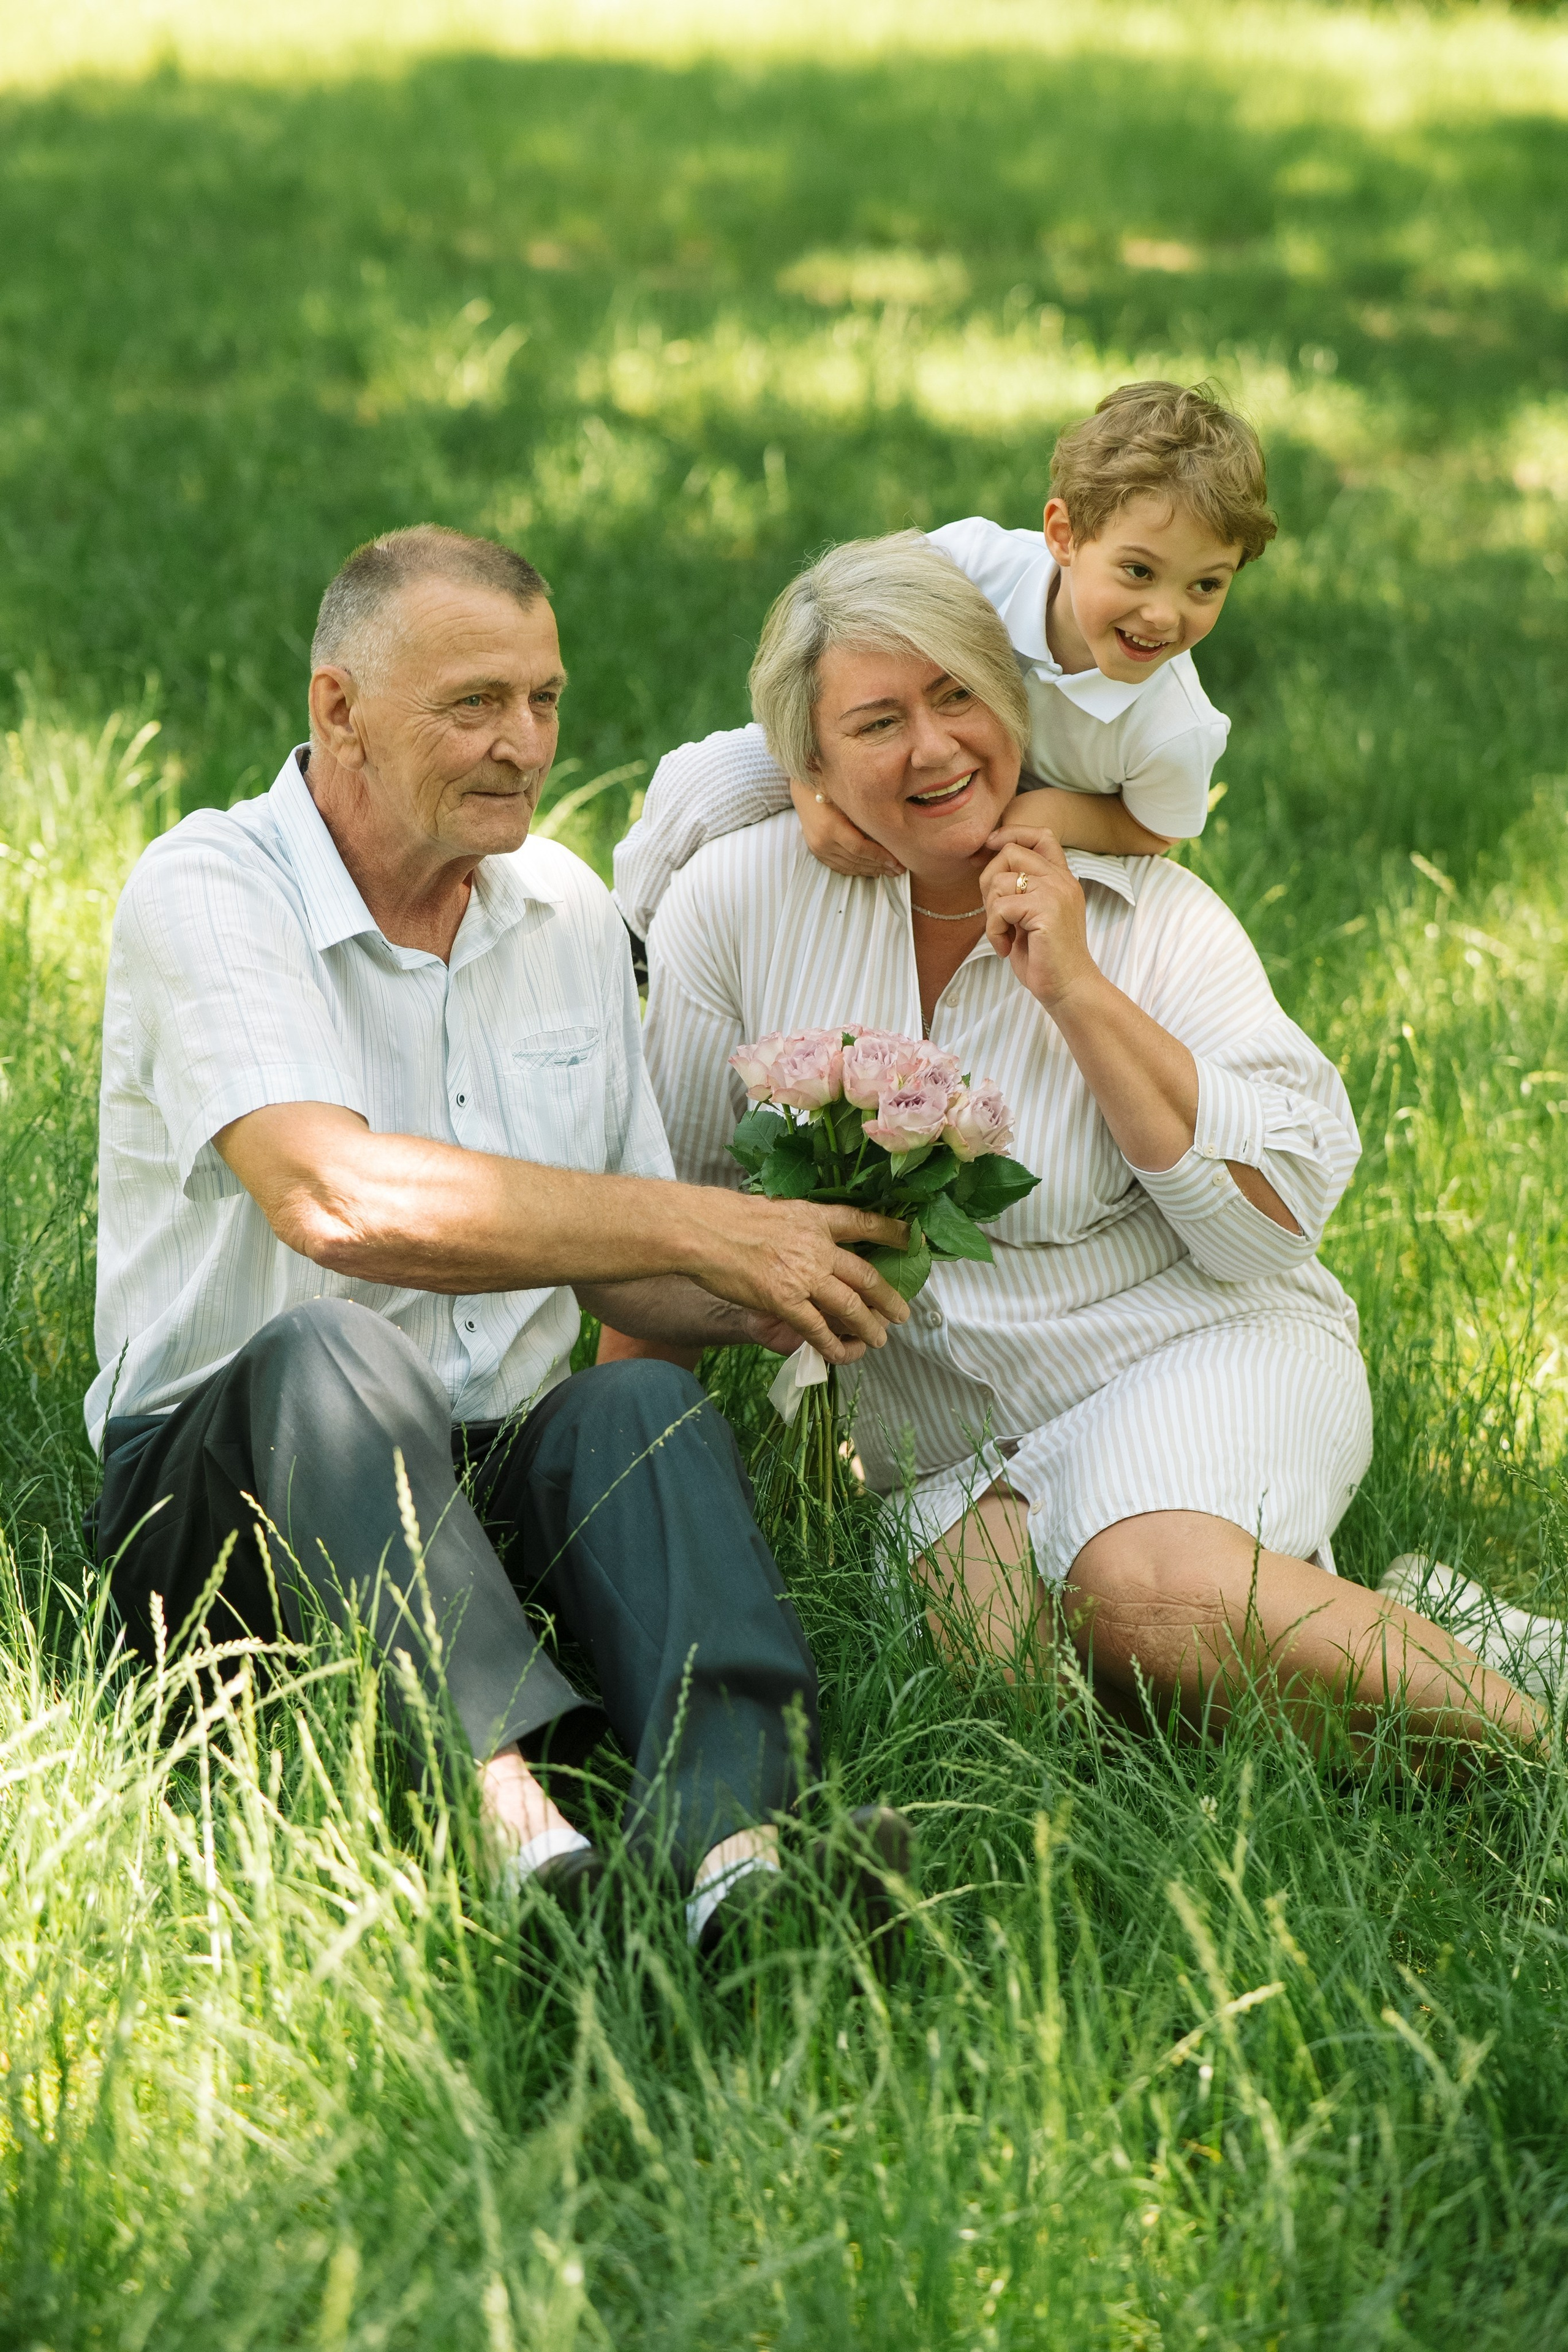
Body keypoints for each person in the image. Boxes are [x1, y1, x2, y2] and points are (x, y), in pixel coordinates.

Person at [89, 523, 913, 1950]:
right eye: (473, 702)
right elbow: (330, 1198)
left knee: (640, 1402)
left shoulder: (568, 914)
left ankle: (740, 1855)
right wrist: (701, 1223)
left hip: (476, 1495)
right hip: (229, 1507)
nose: (522, 742)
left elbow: (628, 1263)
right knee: (335, 1350)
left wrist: (809, 1256)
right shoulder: (211, 891)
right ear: (336, 707)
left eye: (543, 699)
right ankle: (515, 1845)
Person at [629, 529, 1560, 1760]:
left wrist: (1073, 989)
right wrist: (617, 1504)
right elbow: (662, 1224)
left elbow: (1262, 1226)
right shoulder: (733, 908)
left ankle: (1532, 1754)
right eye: (875, 722)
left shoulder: (1147, 912)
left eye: (959, 694)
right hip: (945, 1455)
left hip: (1194, 1346)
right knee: (1012, 1702)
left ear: (1011, 697)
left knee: (1146, 1597)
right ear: (808, 761)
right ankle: (1415, 1623)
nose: (932, 746)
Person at [613, 380, 1268, 949]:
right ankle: (632, 937)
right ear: (1063, 536)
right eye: (1137, 571)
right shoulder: (974, 561)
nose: (1162, 614)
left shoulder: (1174, 727)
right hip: (882, 740)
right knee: (705, 776)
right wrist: (809, 787)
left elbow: (1153, 827)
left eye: (1205, 586)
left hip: (1007, 800)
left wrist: (1049, 815)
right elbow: (843, 626)